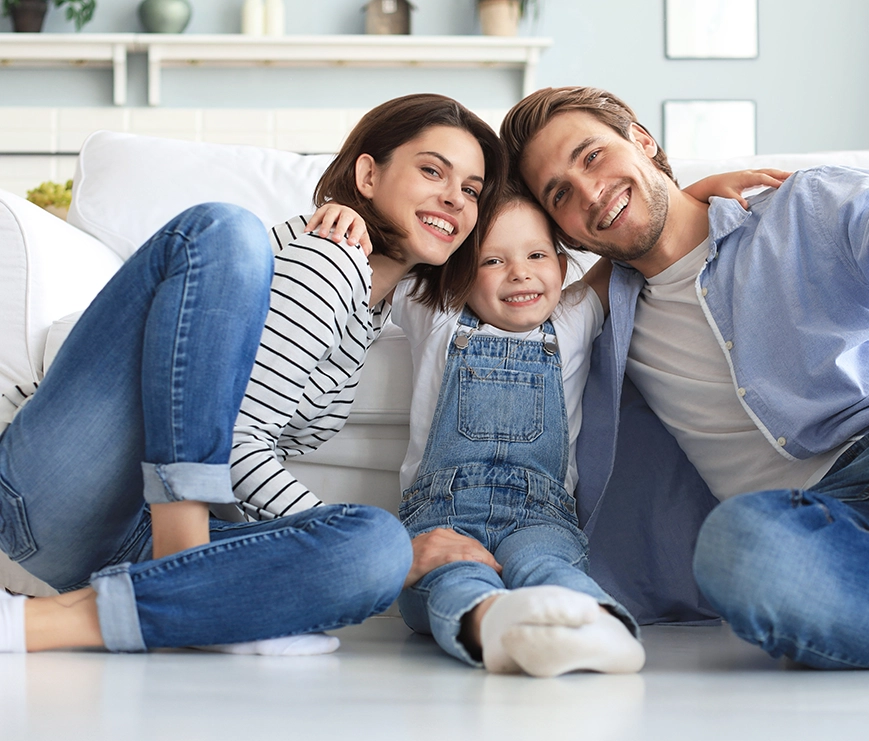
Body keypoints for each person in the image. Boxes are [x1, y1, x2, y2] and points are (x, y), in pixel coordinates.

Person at [499, 82, 869, 668]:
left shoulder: (800, 207)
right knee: (737, 550)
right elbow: (503, 307)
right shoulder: (597, 321)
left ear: (642, 140)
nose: (592, 192)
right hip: (839, 527)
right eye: (561, 194)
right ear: (565, 232)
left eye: (592, 156)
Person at [0, 93, 503, 655]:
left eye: (471, 191)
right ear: (368, 172)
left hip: (116, 549)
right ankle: (186, 570)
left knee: (377, 549)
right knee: (222, 227)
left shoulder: (373, 303)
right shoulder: (330, 261)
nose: (452, 199)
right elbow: (234, 448)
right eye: (432, 170)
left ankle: (70, 618)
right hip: (59, 494)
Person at [308, 167, 787, 675]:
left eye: (536, 256)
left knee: (548, 566)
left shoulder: (574, 316)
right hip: (440, 518)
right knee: (452, 576)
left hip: (540, 514)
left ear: (562, 267)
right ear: (460, 275)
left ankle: (600, 627)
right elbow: (385, 261)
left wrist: (694, 192)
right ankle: (491, 625)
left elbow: (638, 239)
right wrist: (349, 220)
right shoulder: (437, 312)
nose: (520, 273)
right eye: (492, 261)